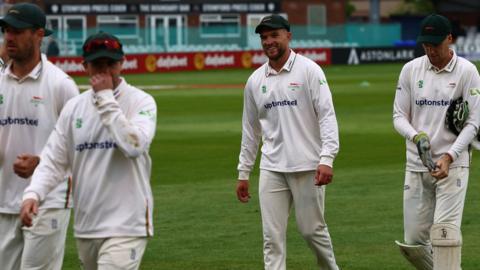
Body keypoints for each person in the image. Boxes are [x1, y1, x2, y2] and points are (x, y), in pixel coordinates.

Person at [20, 31, 157, 270]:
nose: (104, 71)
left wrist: (105, 98)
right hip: (87, 226)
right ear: (85, 66)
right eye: (97, 64)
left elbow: (134, 145)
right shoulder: (74, 108)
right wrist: (33, 194)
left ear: (122, 63)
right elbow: (54, 159)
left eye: (110, 64)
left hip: (127, 224)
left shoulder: (141, 102)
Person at [235, 14, 340, 270]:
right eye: (264, 37)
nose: (269, 41)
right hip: (272, 168)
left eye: (274, 35)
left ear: (288, 36)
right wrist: (243, 171)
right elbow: (250, 130)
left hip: (308, 166)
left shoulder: (309, 70)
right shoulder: (255, 81)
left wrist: (327, 158)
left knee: (311, 231)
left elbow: (327, 115)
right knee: (272, 239)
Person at [393, 14, 480, 269]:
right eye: (426, 45)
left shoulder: (467, 71)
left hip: (453, 165)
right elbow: (399, 116)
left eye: (436, 44)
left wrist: (450, 156)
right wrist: (416, 136)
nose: (430, 50)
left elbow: (474, 123)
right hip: (417, 164)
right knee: (414, 243)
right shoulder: (411, 69)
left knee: (444, 235)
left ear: (450, 39)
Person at [0, 3, 79, 269]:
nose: (9, 37)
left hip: (49, 200)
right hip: (5, 200)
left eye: (18, 32)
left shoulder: (61, 85)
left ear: (39, 34)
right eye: (6, 31)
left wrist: (40, 161)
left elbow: (78, 146)